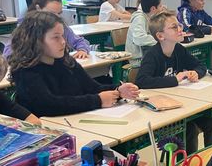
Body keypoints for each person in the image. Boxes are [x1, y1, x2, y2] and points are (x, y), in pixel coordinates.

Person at [9, 11, 139, 117]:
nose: (63, 42)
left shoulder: (66, 61)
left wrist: (118, 91)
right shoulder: (25, 70)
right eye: (56, 37)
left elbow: (92, 88)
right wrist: (98, 100)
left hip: (75, 121)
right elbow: (48, 105)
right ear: (36, 41)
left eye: (62, 36)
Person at [135, 10, 212, 153]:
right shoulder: (152, 55)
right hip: (161, 110)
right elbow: (142, 81)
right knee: (189, 129)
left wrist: (195, 73)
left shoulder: (178, 49)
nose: (180, 29)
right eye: (174, 27)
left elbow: (201, 65)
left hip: (182, 103)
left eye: (179, 25)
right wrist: (174, 79)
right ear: (160, 36)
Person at [3, 0, 91, 59]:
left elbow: (79, 41)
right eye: (51, 13)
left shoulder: (60, 26)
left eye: (59, 13)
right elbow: (8, 54)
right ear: (38, 8)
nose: (57, 18)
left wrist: (82, 50)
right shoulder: (25, 28)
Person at [125, 0, 165, 66]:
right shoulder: (139, 18)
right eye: (160, 6)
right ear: (153, 9)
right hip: (137, 60)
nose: (162, 8)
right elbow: (139, 39)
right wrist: (161, 41)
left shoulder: (150, 17)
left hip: (146, 54)